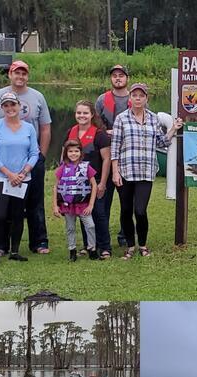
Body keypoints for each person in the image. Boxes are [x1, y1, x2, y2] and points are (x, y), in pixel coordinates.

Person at [0, 60, 52, 254]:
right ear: (10, 75)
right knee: (4, 206)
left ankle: (39, 242)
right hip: (2, 163)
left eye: (24, 73)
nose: (20, 77)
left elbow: (46, 127)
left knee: (35, 203)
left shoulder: (37, 96)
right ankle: (3, 245)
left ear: (27, 76)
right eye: (16, 73)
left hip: (30, 161)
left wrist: (42, 155)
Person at [110, 82, 183, 258]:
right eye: (134, 95)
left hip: (146, 171)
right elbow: (115, 146)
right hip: (126, 171)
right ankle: (130, 246)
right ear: (130, 98)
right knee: (126, 210)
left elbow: (161, 142)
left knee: (140, 210)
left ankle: (142, 245)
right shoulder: (121, 118)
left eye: (141, 96)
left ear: (146, 99)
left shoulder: (153, 118)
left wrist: (173, 128)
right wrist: (115, 171)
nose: (137, 98)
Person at [0, 91, 39, 267]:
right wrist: (9, 173)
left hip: (23, 178)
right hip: (1, 177)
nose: (9, 108)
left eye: (12, 105)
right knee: (0, 215)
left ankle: (14, 251)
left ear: (19, 106)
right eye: (6, 105)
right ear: (1, 108)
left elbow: (34, 153)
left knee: (17, 215)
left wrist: (23, 173)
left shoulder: (28, 127)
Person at [67, 100, 112, 258]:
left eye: (85, 113)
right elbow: (64, 155)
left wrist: (103, 183)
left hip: (95, 181)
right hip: (77, 182)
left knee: (99, 213)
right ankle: (89, 245)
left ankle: (105, 246)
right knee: (82, 213)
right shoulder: (71, 131)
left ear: (92, 114)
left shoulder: (100, 135)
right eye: (79, 113)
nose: (82, 116)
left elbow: (107, 159)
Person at [96, 64, 131, 249]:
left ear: (127, 78)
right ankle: (102, 236)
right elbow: (94, 123)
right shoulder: (102, 100)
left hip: (127, 156)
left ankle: (125, 235)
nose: (118, 78)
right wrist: (106, 131)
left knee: (126, 199)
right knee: (103, 196)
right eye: (114, 75)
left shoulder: (136, 98)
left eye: (121, 75)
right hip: (106, 154)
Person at [53, 139, 98, 261]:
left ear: (81, 152)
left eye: (76, 151)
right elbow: (56, 186)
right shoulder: (62, 168)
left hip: (83, 204)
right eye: (70, 151)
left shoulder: (86, 167)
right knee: (70, 227)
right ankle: (72, 250)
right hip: (67, 204)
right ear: (66, 153)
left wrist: (91, 205)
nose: (73, 154)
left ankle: (92, 248)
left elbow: (94, 185)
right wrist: (55, 205)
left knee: (90, 225)